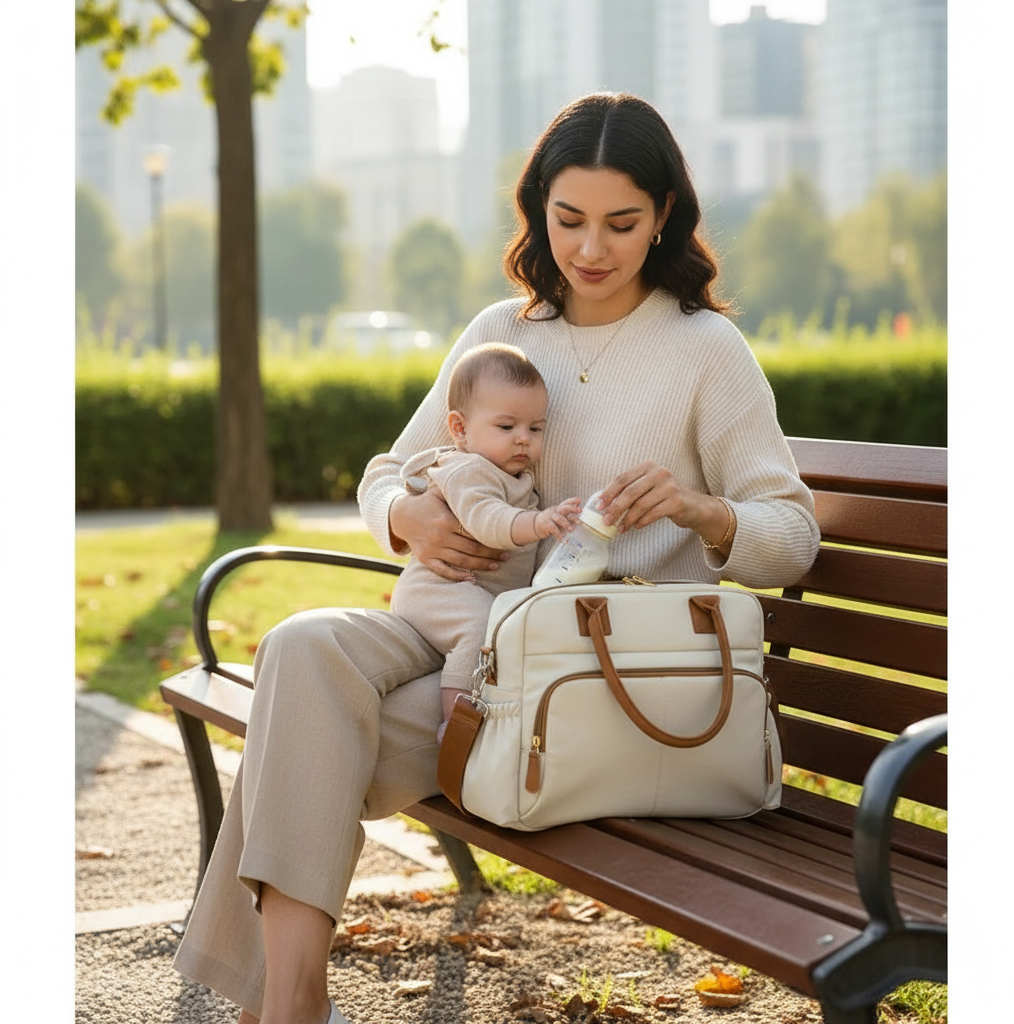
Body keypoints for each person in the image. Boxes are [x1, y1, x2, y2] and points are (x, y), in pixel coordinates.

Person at [172, 92, 820, 1024]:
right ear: (538, 210)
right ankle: (296, 1000)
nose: (590, 249)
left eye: (620, 223)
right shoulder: (499, 330)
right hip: (456, 634)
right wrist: (408, 520)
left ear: (665, 215)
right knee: (303, 648)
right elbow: (387, 472)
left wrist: (700, 509)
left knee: (303, 730)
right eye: (568, 220)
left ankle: (282, 1008)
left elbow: (790, 532)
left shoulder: (704, 350)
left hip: (584, 677)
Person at [388, 342, 581, 744]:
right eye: (507, 427)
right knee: (481, 624)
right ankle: (457, 722)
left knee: (497, 626)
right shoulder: (467, 471)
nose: (523, 440)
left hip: (469, 592)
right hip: (437, 591)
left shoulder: (510, 474)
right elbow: (486, 521)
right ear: (459, 429)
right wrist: (538, 522)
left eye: (535, 428)